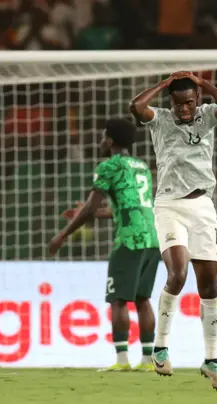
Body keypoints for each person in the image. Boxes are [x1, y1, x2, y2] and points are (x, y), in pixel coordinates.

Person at [129, 71, 217, 391]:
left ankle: (211, 359)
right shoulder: (160, 119)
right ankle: (160, 348)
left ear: (197, 101)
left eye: (189, 103)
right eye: (178, 104)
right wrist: (164, 85)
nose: (184, 109)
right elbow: (136, 106)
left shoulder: (207, 115)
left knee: (209, 285)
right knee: (177, 275)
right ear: (171, 102)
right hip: (169, 206)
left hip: (202, 207)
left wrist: (204, 85)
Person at [49, 119, 160, 372]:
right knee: (143, 299)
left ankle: (122, 361)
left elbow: (90, 207)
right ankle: (147, 361)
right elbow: (127, 207)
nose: (100, 142)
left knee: (118, 299)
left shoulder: (108, 167)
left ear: (109, 141)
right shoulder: (141, 166)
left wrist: (63, 234)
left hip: (129, 240)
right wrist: (90, 213)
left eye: (102, 137)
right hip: (152, 238)